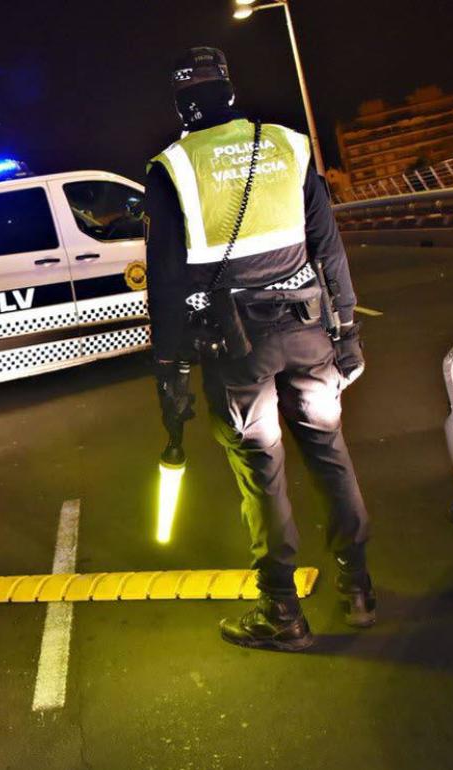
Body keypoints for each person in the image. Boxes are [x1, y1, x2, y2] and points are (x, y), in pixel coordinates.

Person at [143, 47, 374, 652]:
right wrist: (347, 330)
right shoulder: (288, 145)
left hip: (236, 344)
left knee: (261, 468)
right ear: (229, 89)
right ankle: (358, 589)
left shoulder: (172, 166)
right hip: (308, 328)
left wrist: (167, 369)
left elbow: (165, 282)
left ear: (181, 102)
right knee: (329, 452)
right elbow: (329, 247)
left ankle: (282, 613)